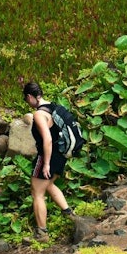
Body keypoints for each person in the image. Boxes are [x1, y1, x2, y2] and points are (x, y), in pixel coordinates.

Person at [23, 81, 75, 238]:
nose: (27, 103)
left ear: (30, 97)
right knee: (49, 184)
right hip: (60, 155)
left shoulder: (39, 114)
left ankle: (42, 232)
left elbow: (47, 139)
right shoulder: (54, 107)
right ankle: (71, 216)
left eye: (26, 100)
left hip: (48, 156)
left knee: (37, 192)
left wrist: (45, 164)